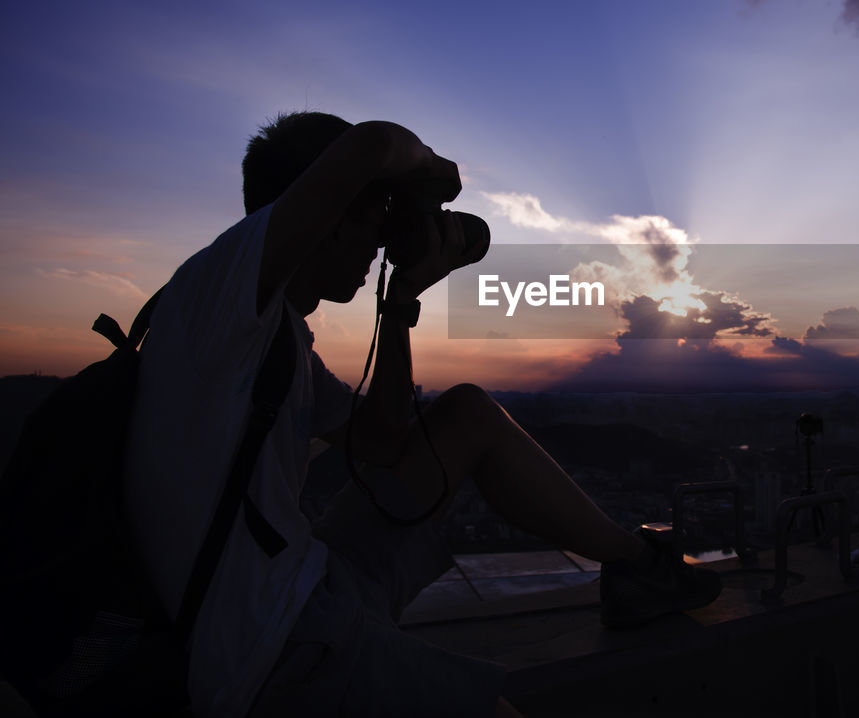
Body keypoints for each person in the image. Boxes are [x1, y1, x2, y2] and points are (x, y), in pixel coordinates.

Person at [123, 112, 721, 718]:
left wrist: (400, 302)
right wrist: (429, 176)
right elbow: (374, 143)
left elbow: (381, 442)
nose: (379, 239)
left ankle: (637, 567)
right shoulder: (217, 291)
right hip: (264, 650)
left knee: (465, 414)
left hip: (304, 576)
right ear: (324, 212)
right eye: (372, 216)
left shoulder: (277, 334)